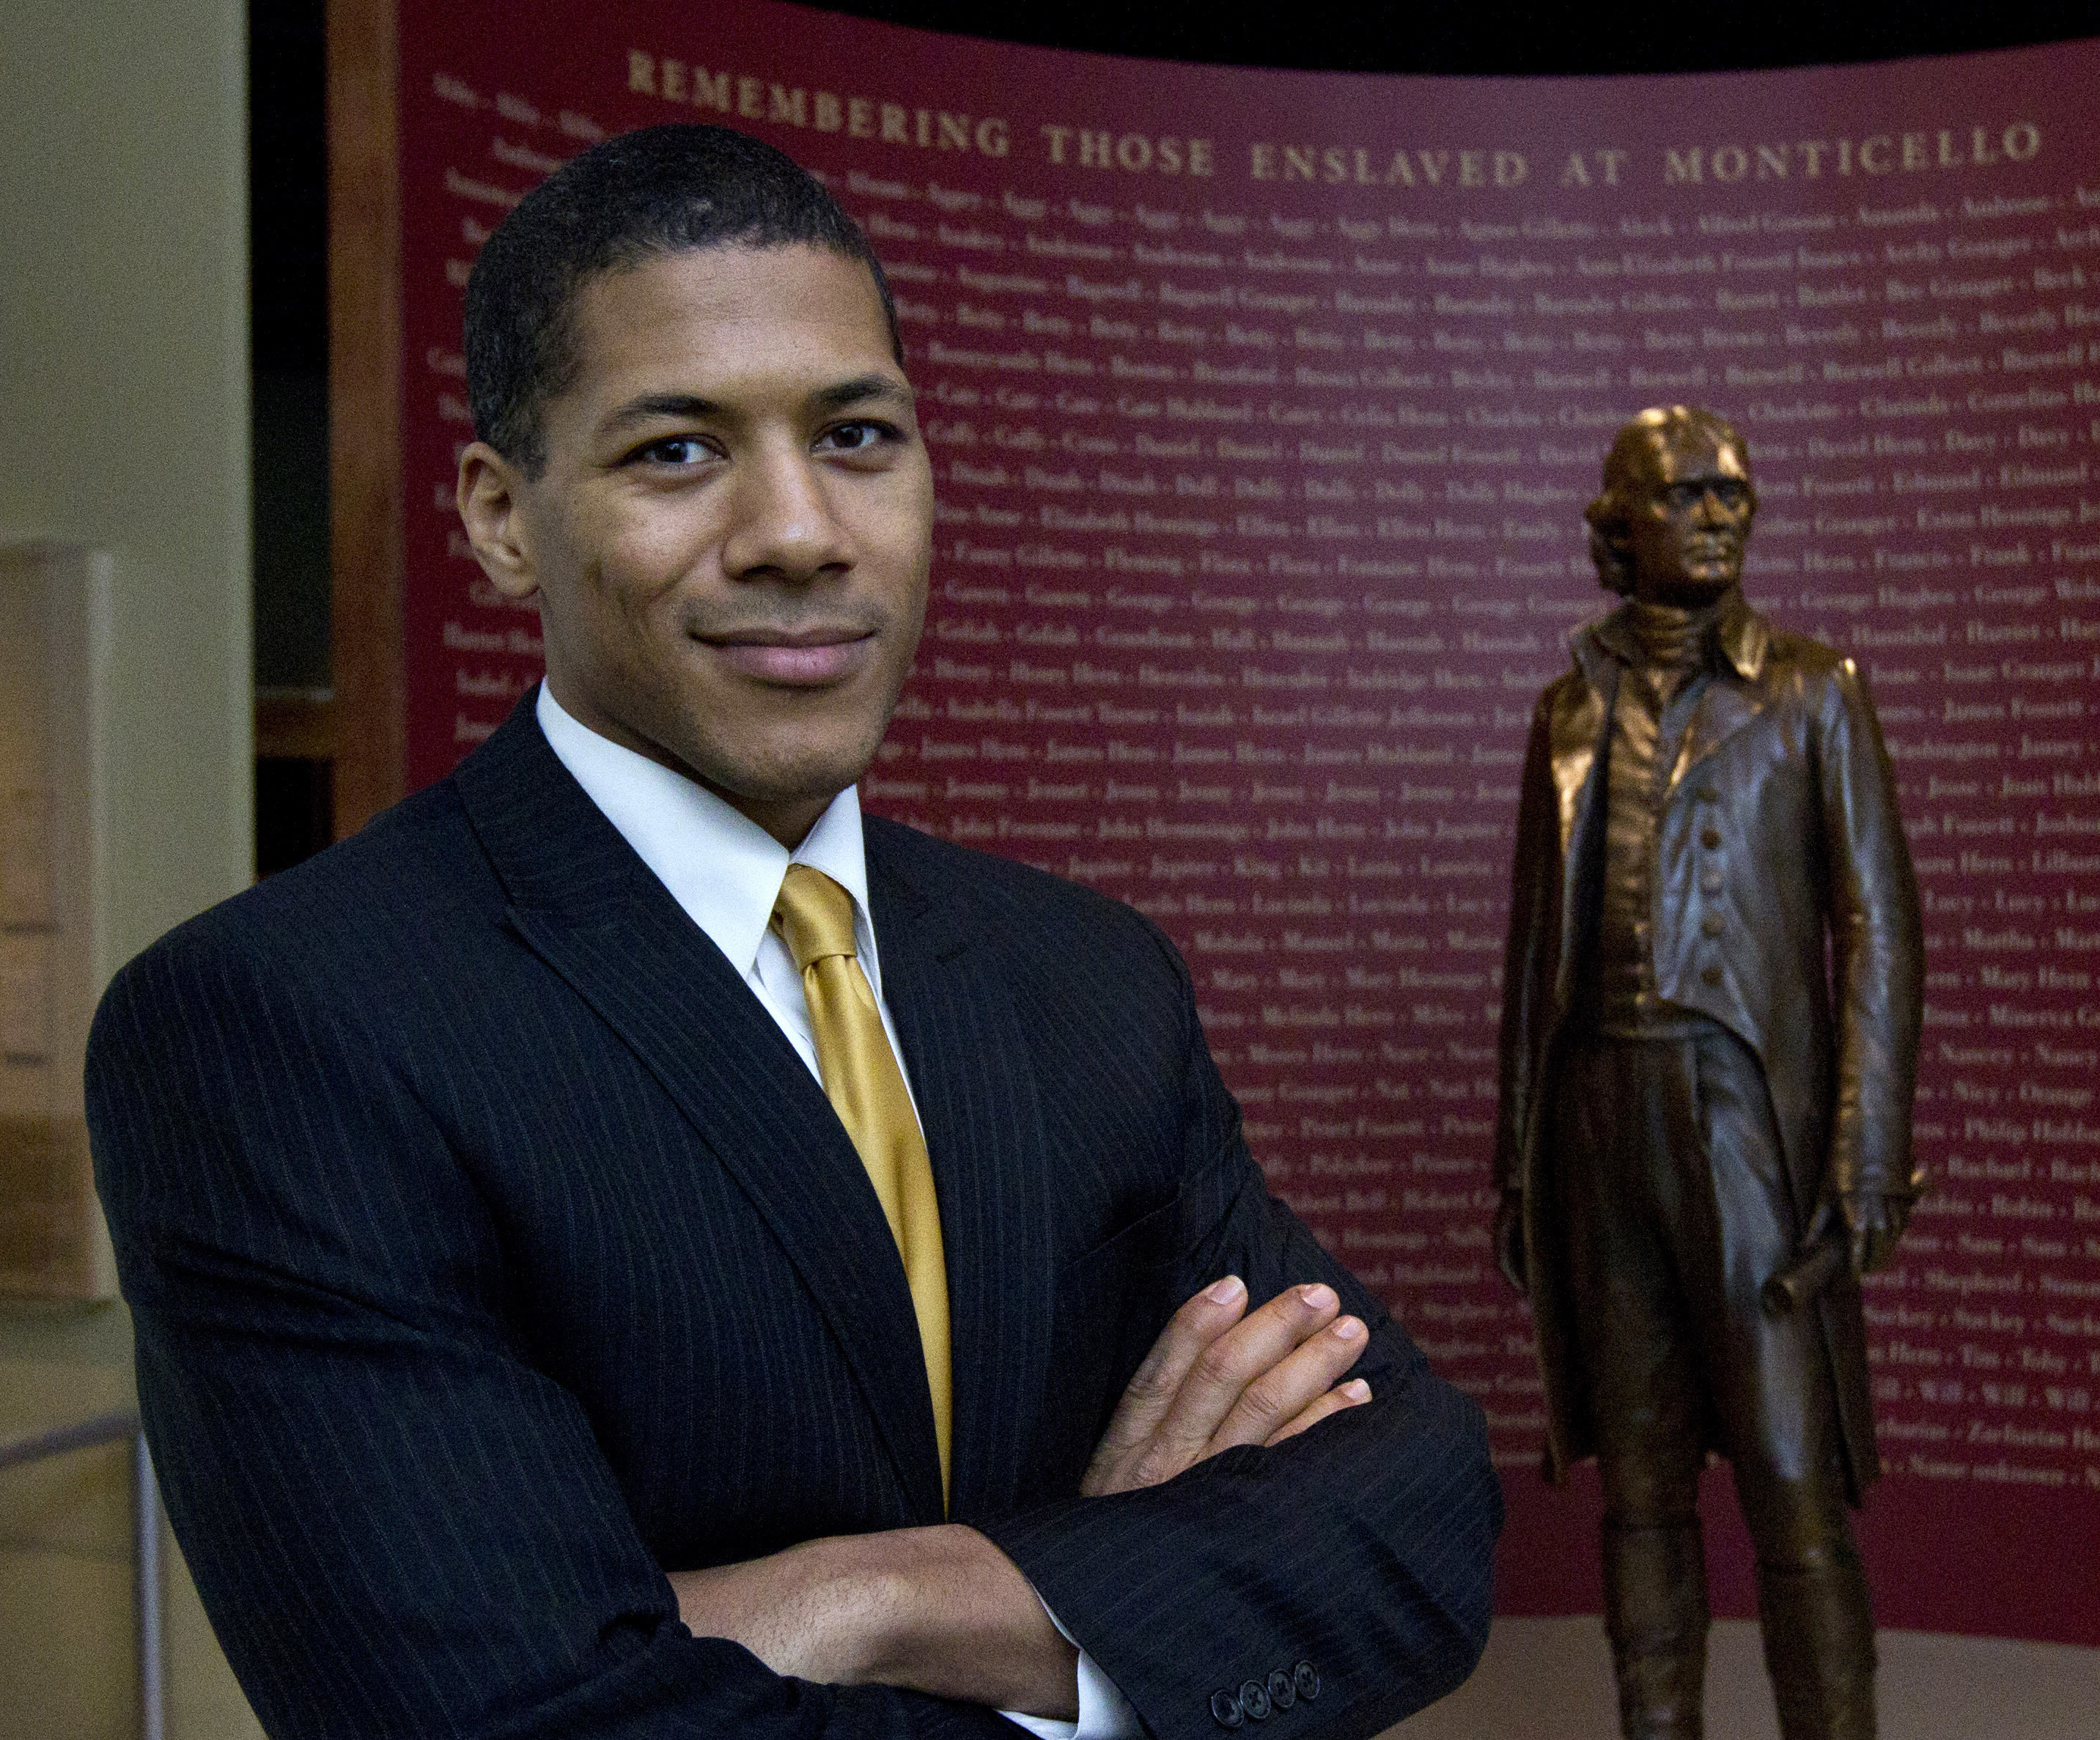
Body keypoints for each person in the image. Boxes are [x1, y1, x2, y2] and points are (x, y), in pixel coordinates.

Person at [86, 124, 1498, 1740]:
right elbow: (517, 1719)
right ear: (498, 518)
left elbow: (1422, 1513)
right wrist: (1115, 1611)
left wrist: (886, 1590)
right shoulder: (283, 1027)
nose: (799, 532)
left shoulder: (1085, 977)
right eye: (677, 450)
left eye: (855, 434)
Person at [1492, 407, 1923, 1740]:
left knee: (1793, 1476)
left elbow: (1881, 928)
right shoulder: (1565, 712)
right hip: (1596, 1118)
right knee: (1641, 1481)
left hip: (1747, 1125)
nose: (1721, 513)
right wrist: (1516, 1166)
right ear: (1619, 523)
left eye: (1734, 494)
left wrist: (1860, 1146)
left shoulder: (1811, 689)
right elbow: (1527, 963)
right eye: (1684, 493)